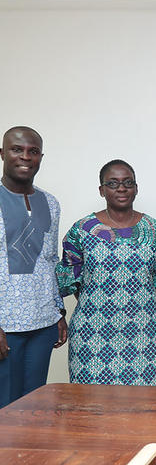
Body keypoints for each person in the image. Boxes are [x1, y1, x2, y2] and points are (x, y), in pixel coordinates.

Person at [56, 160, 156, 385]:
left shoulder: (154, 229)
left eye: (127, 182)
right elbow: (69, 279)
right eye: (113, 183)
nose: (121, 188)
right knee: (92, 408)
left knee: (145, 407)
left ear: (136, 188)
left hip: (144, 333)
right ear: (102, 190)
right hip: (92, 334)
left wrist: (137, 303)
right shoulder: (82, 230)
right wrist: (100, 304)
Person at [0, 126, 67, 408]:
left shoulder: (50, 203)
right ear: (2, 153)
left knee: (34, 406)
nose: (25, 157)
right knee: (5, 405)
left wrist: (58, 311)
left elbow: (50, 261)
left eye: (33, 151)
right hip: (5, 325)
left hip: (42, 323)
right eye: (17, 149)